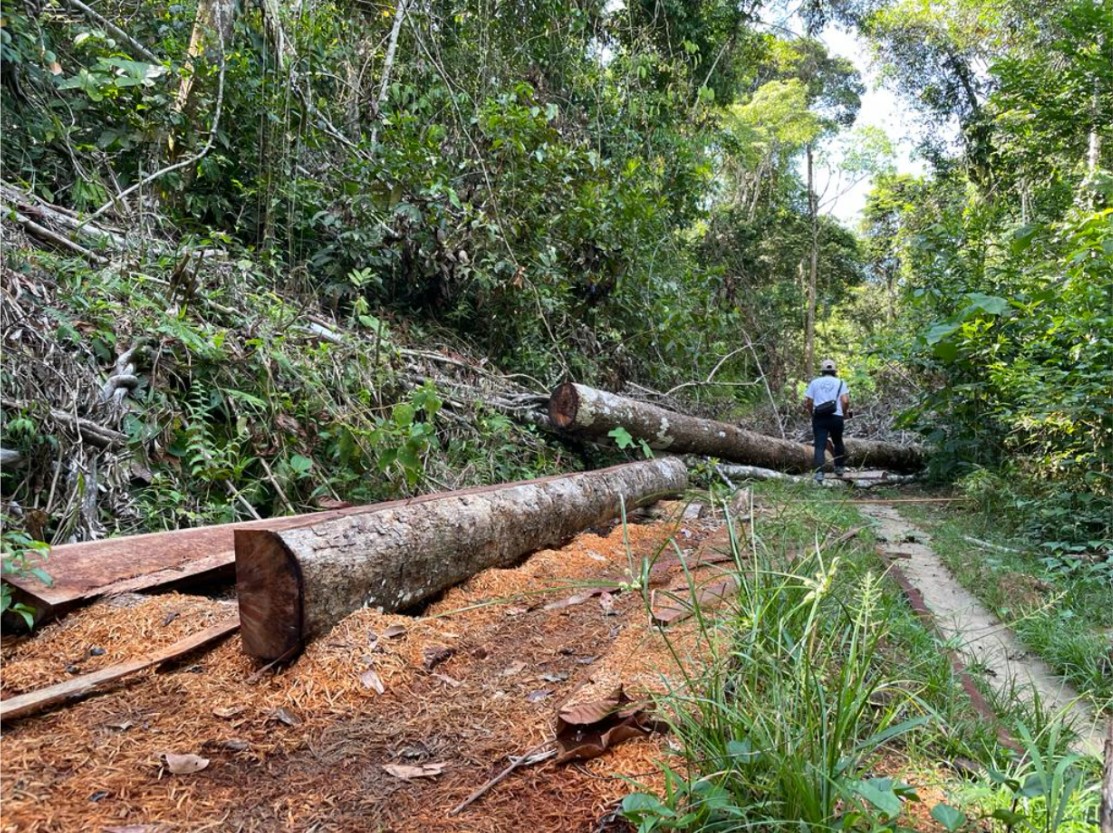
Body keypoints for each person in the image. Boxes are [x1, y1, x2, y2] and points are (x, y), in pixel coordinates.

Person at [804, 358, 850, 484]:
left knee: (819, 445)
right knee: (838, 441)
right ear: (834, 371)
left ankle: (819, 473)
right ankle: (839, 468)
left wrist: (811, 412)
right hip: (836, 417)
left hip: (820, 417)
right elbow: (845, 401)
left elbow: (808, 401)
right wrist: (844, 412)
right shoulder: (841, 382)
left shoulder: (814, 383)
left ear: (822, 371)